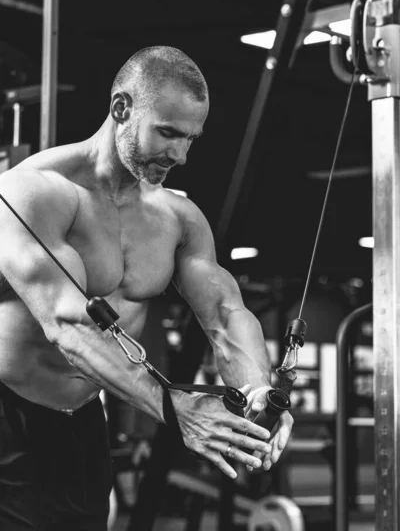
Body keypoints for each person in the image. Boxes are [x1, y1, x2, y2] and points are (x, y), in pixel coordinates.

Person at [0, 46, 293, 530]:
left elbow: (224, 313)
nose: (180, 154)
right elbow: (68, 325)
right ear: (122, 109)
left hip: (84, 424)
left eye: (191, 138)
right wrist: (175, 409)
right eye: (168, 132)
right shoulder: (33, 194)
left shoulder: (176, 218)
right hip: (9, 416)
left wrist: (257, 390)